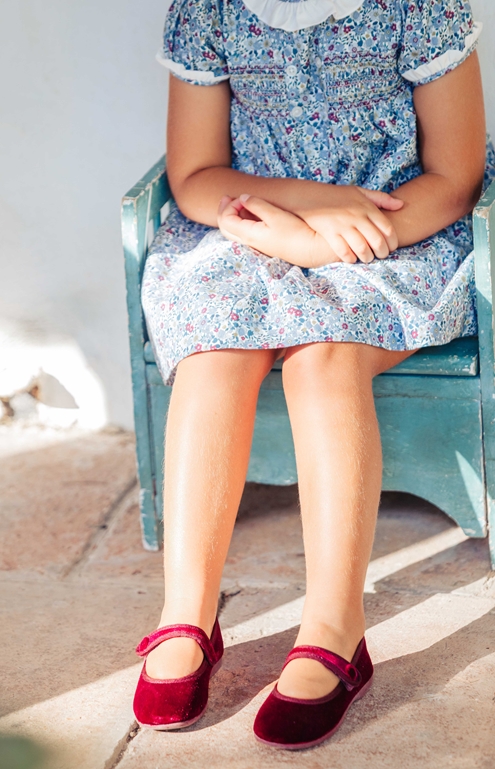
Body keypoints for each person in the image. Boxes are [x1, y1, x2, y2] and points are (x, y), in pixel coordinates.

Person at [133, 0, 495, 749]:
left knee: (323, 361)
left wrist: (343, 234)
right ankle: (186, 614)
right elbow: (196, 174)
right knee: (213, 355)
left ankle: (335, 624)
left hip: (395, 231)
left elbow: (454, 176)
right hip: (255, 222)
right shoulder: (210, 11)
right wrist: (307, 215)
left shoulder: (419, 9)